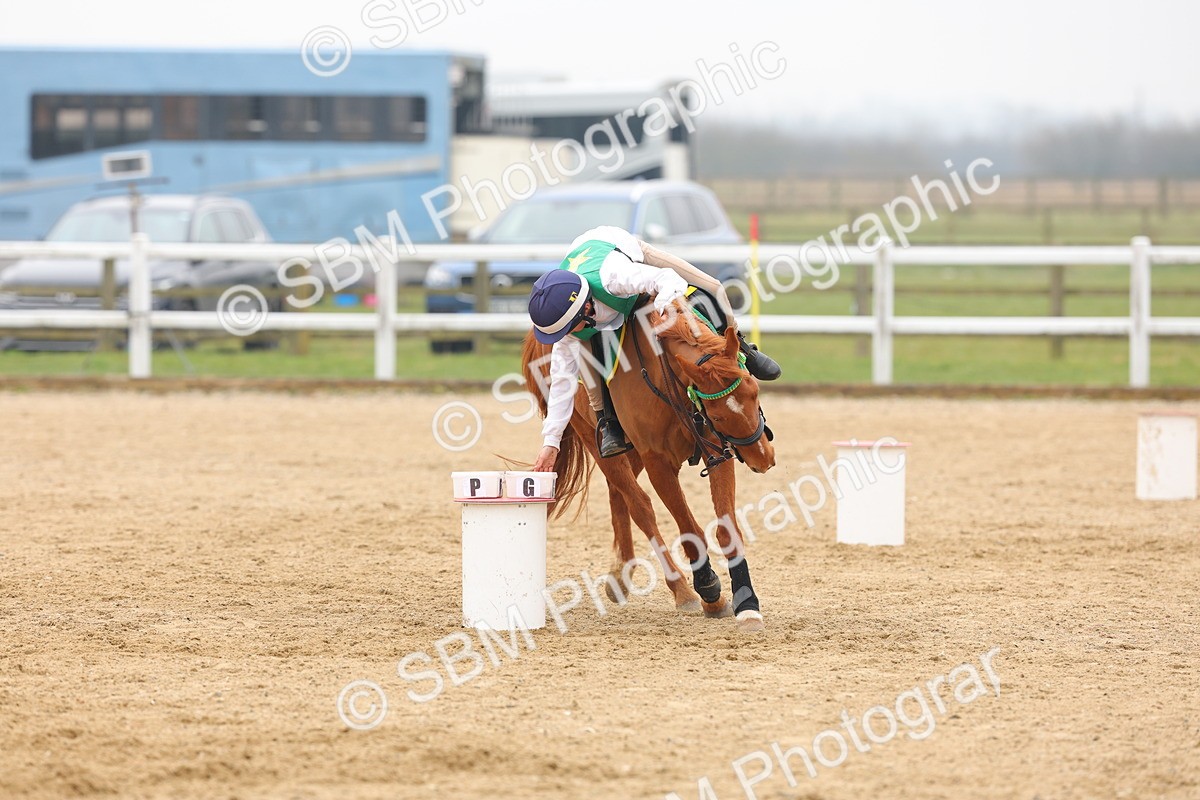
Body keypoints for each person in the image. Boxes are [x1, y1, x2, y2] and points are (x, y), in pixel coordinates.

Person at [527, 226, 780, 471]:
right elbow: (561, 384)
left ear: (585, 309)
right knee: (586, 354)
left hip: (624, 250)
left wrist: (663, 313)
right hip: (586, 272)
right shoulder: (568, 330)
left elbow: (668, 280)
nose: (566, 335)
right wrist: (551, 442)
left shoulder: (616, 277)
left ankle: (744, 349)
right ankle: (607, 419)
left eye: (568, 328)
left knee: (714, 286)